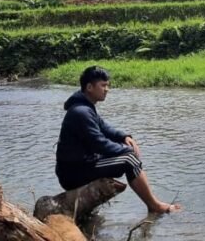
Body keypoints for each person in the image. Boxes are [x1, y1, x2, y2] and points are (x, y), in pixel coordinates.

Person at [55, 65, 181, 213]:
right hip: (74, 173)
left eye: (107, 85)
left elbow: (104, 127)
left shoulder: (85, 107)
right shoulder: (81, 112)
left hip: (78, 167)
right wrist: (126, 150)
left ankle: (152, 204)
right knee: (130, 160)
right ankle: (155, 206)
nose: (107, 89)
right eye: (103, 85)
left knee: (127, 156)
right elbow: (99, 144)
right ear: (89, 87)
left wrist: (124, 136)